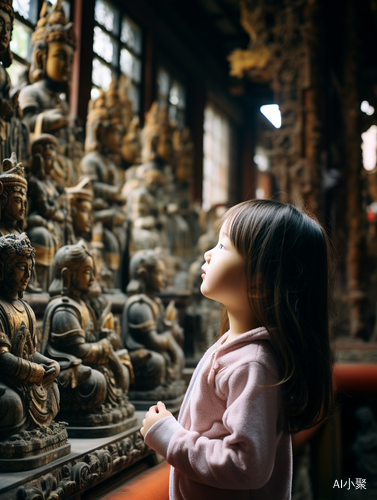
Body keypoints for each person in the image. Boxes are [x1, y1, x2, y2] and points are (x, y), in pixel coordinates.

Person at [140, 199, 334, 500]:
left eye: (222, 247)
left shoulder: (253, 363)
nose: (207, 253)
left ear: (258, 282)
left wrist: (170, 437)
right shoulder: (239, 348)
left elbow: (247, 465)